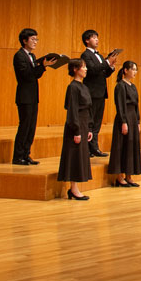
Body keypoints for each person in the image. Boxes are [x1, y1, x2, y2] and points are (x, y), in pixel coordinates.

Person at [12, 27, 58, 165]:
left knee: (31, 127)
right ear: (24, 40)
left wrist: (44, 66)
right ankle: (18, 156)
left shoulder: (31, 56)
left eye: (36, 39)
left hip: (33, 96)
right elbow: (26, 75)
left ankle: (26, 154)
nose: (35, 42)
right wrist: (42, 66)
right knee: (25, 126)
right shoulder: (19, 56)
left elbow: (35, 75)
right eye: (32, 39)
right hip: (24, 96)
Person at [79, 29, 117, 158]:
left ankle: (94, 147)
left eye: (97, 37)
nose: (97, 40)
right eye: (94, 38)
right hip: (91, 92)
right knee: (89, 121)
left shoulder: (99, 56)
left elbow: (103, 73)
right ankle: (87, 148)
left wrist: (110, 66)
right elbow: (92, 70)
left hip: (101, 92)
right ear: (87, 40)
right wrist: (106, 62)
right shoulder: (85, 55)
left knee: (97, 121)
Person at [58, 58, 93, 200]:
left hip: (84, 124)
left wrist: (89, 127)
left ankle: (74, 188)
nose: (86, 69)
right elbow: (72, 110)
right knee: (74, 156)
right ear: (75, 69)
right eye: (83, 67)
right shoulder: (72, 87)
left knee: (80, 156)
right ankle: (73, 188)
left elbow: (88, 108)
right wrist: (76, 130)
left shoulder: (84, 87)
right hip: (76, 125)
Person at [110, 61, 141, 187]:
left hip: (133, 118)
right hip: (124, 118)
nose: (135, 72)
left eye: (136, 69)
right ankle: (119, 176)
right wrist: (123, 121)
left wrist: (138, 121)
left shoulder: (133, 86)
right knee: (121, 146)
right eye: (133, 69)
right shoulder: (120, 86)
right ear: (125, 70)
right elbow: (120, 105)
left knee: (131, 146)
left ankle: (129, 175)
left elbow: (136, 105)